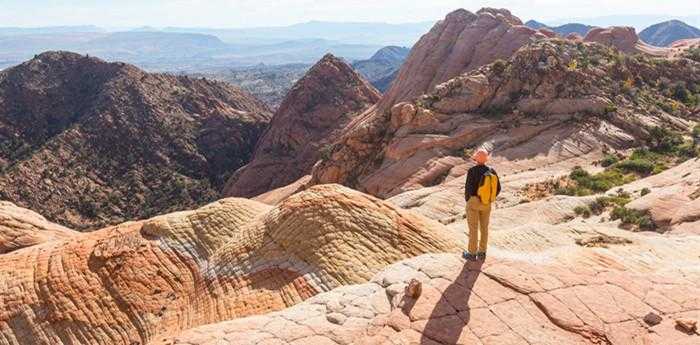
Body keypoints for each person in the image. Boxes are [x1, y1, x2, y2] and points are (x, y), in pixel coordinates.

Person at [463, 148, 501, 261]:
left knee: (473, 228)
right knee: (484, 228)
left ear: (476, 159)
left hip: (474, 202)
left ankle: (471, 253)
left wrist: (468, 200)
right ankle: (482, 252)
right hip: (486, 203)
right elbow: (498, 188)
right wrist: (489, 199)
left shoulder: (472, 171)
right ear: (486, 159)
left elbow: (468, 188)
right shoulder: (492, 171)